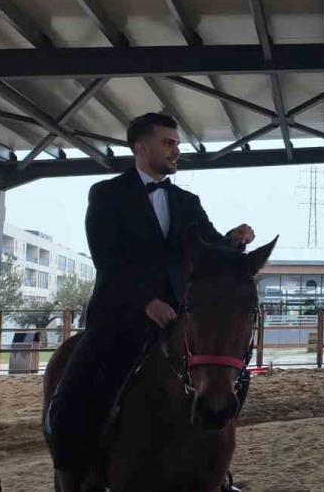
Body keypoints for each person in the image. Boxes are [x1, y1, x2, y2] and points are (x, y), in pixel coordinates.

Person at [47, 113, 255, 491]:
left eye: (176, 143)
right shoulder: (107, 194)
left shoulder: (187, 201)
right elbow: (107, 259)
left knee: (226, 380)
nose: (176, 150)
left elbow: (207, 247)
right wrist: (146, 301)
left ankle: (217, 472)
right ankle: (75, 474)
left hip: (176, 318)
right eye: (168, 142)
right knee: (71, 397)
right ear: (140, 147)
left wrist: (233, 239)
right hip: (119, 317)